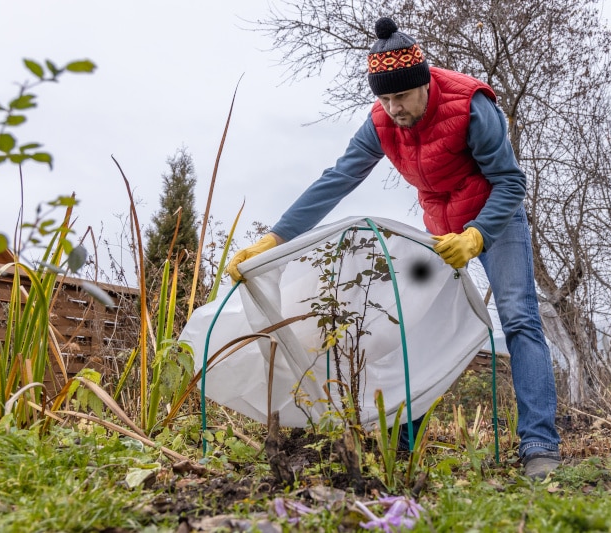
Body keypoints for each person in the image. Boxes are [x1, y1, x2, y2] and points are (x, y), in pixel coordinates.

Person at [226, 16, 561, 479]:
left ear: (424, 83)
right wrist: (276, 238)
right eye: (384, 98)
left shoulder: (471, 107)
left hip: (494, 221)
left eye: (401, 96)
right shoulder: (381, 122)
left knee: (520, 318)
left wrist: (477, 235)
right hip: (439, 232)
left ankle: (540, 446)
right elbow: (338, 179)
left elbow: (510, 181)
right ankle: (405, 441)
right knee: (418, 326)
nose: (393, 107)